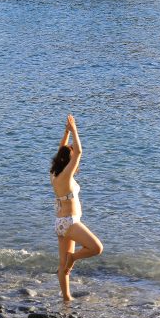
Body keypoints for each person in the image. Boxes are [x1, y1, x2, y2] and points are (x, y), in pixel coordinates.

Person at [50, 114, 103, 301]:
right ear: (68, 162)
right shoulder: (65, 176)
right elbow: (79, 152)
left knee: (62, 265)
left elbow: (60, 151)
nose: (75, 161)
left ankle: (67, 298)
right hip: (70, 222)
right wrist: (74, 131)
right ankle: (74, 258)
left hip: (60, 223)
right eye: (71, 158)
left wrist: (65, 133)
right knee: (97, 248)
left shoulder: (54, 175)